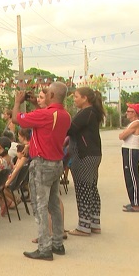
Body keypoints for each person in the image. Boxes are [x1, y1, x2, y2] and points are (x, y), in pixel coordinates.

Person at [12, 82, 71, 261]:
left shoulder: (45, 114)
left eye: (44, 94)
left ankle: (44, 247)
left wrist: (17, 102)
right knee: (53, 204)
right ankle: (57, 243)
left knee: (40, 206)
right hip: (56, 163)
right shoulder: (65, 115)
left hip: (42, 164)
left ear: (51, 95)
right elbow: (44, 118)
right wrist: (35, 104)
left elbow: (16, 119)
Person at [67, 87, 105, 236]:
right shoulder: (92, 113)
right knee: (91, 188)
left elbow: (70, 129)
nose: (74, 99)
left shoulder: (86, 113)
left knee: (83, 189)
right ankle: (94, 222)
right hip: (93, 155)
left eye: (76, 97)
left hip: (84, 155)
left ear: (85, 98)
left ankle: (83, 226)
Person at [119, 103, 139, 212]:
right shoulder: (133, 123)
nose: (127, 113)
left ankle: (136, 204)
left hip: (131, 150)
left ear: (134, 113)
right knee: (129, 177)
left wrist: (123, 133)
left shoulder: (136, 123)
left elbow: (122, 136)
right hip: (128, 149)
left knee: (132, 177)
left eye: (129, 111)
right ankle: (133, 201)